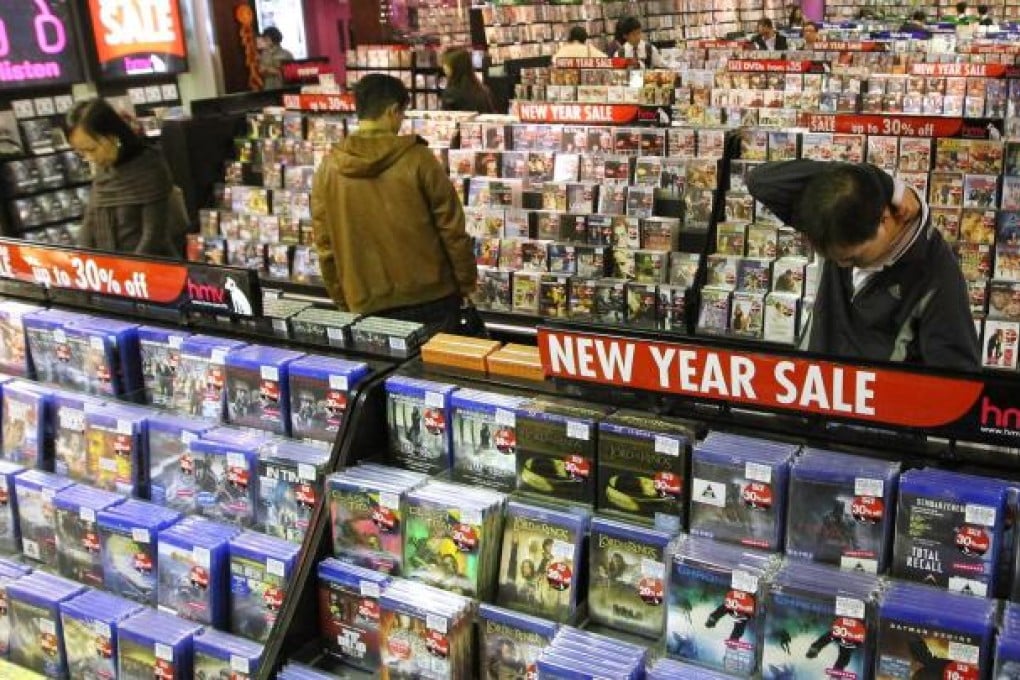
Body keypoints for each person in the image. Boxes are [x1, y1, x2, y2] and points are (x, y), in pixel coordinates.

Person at [746, 160, 979, 369]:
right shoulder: (834, 217)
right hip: (815, 390)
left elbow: (958, 378)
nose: (840, 265)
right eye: (831, 257)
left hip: (872, 409)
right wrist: (883, 184)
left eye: (852, 258)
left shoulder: (937, 277)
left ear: (884, 221)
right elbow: (761, 181)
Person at [312, 74, 477, 334]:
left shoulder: (328, 168)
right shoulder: (419, 159)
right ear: (392, 111)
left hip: (365, 301)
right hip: (431, 296)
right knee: (437, 372)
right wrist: (467, 284)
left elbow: (325, 245)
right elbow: (452, 230)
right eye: (402, 114)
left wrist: (342, 299)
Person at [66, 98, 187, 258]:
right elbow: (90, 222)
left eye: (92, 149)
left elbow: (153, 237)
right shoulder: (105, 171)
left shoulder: (150, 167)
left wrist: (128, 273)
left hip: (148, 271)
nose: (89, 158)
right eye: (82, 153)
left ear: (114, 137)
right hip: (111, 273)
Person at [440, 48, 496, 113]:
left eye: (445, 64)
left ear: (454, 66)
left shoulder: (451, 94)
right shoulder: (483, 90)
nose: (443, 67)